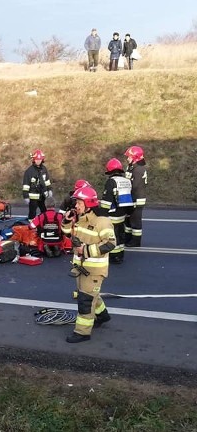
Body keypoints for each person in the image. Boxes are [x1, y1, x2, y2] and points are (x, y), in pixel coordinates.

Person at [61, 186, 116, 343]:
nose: (76, 206)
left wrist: (85, 250)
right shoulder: (80, 220)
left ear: (88, 204)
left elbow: (110, 244)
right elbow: (66, 234)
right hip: (80, 268)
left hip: (94, 270)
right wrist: (66, 221)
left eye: (79, 203)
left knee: (85, 299)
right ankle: (103, 316)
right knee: (90, 294)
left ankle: (82, 332)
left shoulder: (102, 222)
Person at [97, 158, 134, 263]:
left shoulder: (111, 182)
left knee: (113, 236)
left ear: (110, 171)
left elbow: (106, 201)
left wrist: (102, 215)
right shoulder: (127, 181)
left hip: (113, 215)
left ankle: (114, 256)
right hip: (123, 214)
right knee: (120, 235)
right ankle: (120, 255)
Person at [124, 145, 148, 247]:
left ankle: (136, 241)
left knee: (135, 221)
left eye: (129, 156)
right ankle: (128, 238)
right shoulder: (133, 167)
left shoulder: (138, 170)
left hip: (136, 198)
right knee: (128, 220)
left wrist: (131, 201)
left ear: (135, 158)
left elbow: (135, 187)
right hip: (131, 198)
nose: (127, 158)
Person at [22, 149, 52, 219]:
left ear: (42, 160)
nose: (38, 161)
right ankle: (31, 226)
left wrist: (49, 189)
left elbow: (47, 181)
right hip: (33, 197)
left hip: (42, 195)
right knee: (32, 213)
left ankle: (43, 224)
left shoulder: (44, 169)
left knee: (44, 211)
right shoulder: (29, 171)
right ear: (33, 160)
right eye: (36, 159)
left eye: (40, 159)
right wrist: (26, 196)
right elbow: (26, 185)